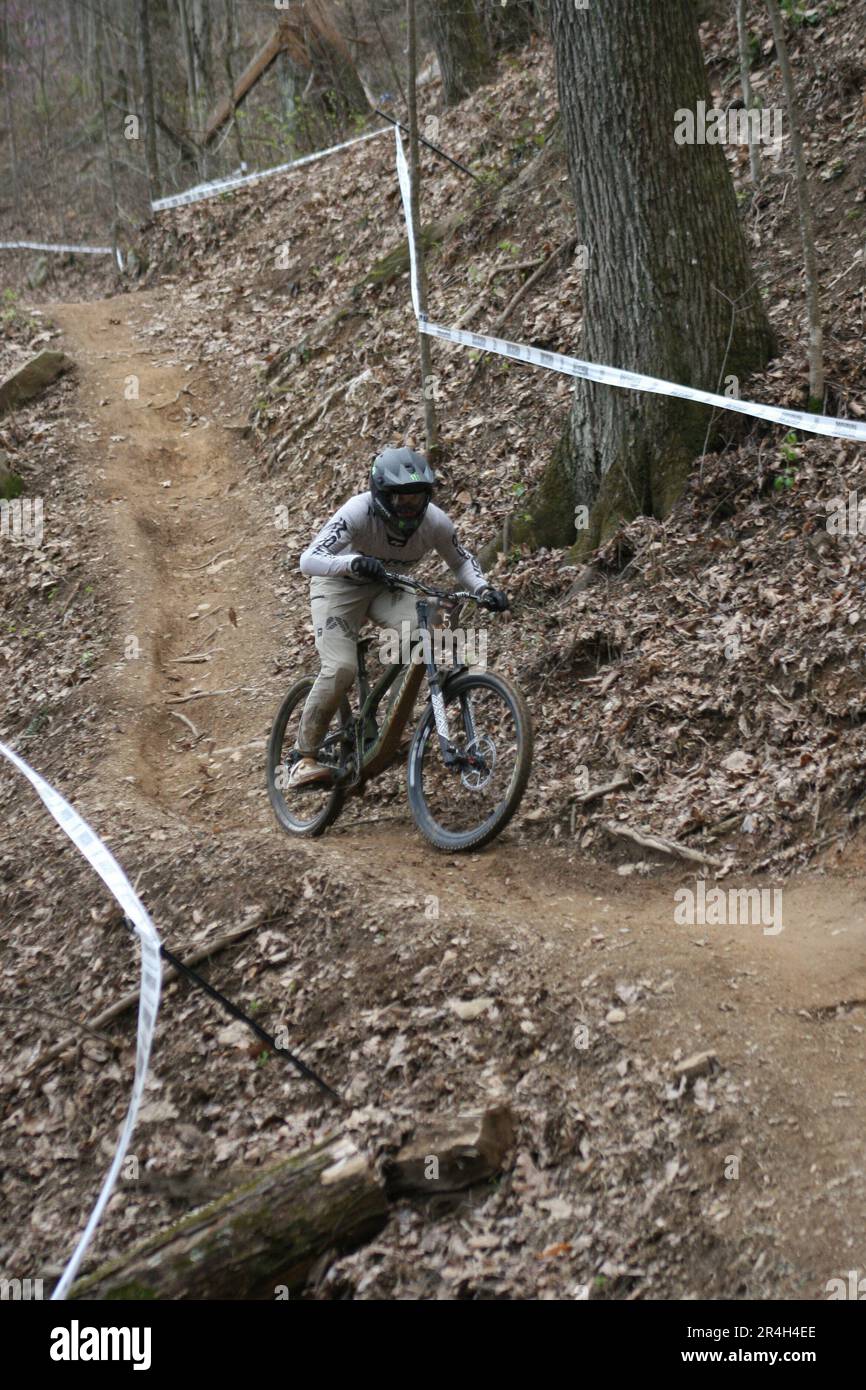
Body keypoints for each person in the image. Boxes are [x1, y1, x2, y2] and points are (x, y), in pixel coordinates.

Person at [290, 446, 508, 787]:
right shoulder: (358, 512)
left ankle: (390, 724)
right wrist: (350, 562)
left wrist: (483, 589)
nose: (410, 507)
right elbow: (309, 559)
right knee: (341, 668)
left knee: (432, 626)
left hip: (387, 586)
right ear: (381, 495)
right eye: (401, 499)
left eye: (417, 498)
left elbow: (461, 560)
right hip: (338, 586)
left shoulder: (435, 521)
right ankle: (303, 757)